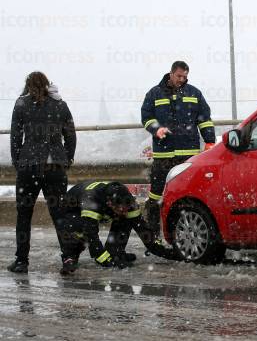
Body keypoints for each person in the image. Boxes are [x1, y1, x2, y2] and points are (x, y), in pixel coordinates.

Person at [8, 72, 76, 273]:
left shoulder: (21, 104)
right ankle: (68, 258)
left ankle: (21, 261)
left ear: (28, 86)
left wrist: (18, 161)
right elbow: (71, 136)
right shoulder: (60, 105)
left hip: (29, 167)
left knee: (24, 215)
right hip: (54, 167)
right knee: (60, 215)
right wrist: (67, 159)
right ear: (48, 85)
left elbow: (15, 136)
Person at [140, 61, 216, 238]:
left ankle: (183, 234)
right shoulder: (154, 93)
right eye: (179, 76)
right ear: (171, 73)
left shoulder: (194, 93)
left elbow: (204, 119)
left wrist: (210, 141)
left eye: (185, 77)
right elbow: (146, 117)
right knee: (156, 196)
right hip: (163, 156)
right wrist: (156, 128)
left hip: (188, 156)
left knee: (189, 196)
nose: (182, 80)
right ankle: (152, 237)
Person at [59, 180, 180, 275]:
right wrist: (106, 261)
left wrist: (173, 254)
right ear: (110, 203)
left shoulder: (128, 202)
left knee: (127, 219)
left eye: (126, 207)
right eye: (120, 208)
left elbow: (145, 233)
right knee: (79, 229)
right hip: (71, 210)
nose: (124, 211)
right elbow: (91, 236)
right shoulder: (92, 202)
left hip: (101, 204)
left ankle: (115, 253)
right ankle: (69, 257)